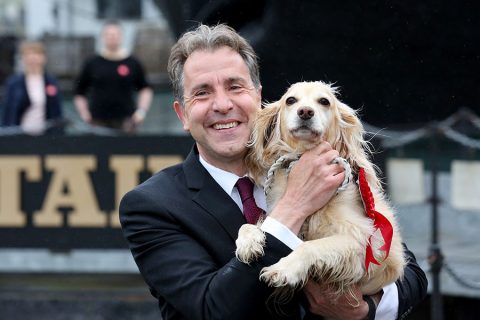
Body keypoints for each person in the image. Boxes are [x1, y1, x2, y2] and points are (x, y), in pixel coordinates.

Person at [120, 24, 427, 319]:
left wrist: (363, 311)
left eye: (234, 86)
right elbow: (212, 309)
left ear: (258, 96)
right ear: (183, 114)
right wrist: (294, 205)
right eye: (202, 93)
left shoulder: (326, 170)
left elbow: (410, 274)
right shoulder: (152, 206)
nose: (222, 104)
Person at [74, 21, 153, 133]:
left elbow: (145, 89)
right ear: (103, 37)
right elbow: (79, 92)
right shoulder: (92, 63)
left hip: (127, 122)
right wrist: (84, 113)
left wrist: (141, 112)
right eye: (109, 34)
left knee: (126, 150)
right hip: (97, 122)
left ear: (121, 37)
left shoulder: (132, 62)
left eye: (115, 34)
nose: (112, 37)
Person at [1, 41, 63, 135]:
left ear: (44, 57)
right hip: (19, 136)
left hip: (46, 137)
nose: (33, 58)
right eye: (28, 54)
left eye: (37, 54)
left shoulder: (51, 82)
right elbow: (8, 112)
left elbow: (57, 112)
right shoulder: (13, 83)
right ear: (23, 58)